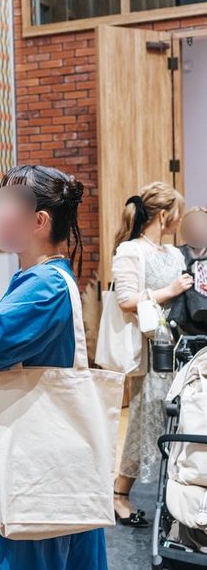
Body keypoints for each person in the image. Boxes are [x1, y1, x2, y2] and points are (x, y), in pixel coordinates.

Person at [0, 165, 107, 569]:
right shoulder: (36, 279)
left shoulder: (44, 286)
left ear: (39, 221)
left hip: (32, 468)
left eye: (8, 202)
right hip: (31, 460)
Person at [112, 182, 191, 527]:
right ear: (163, 215)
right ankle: (119, 494)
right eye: (177, 213)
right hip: (152, 349)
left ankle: (177, 495)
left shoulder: (174, 253)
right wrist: (169, 290)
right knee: (146, 421)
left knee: (182, 418)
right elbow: (126, 301)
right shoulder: (131, 251)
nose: (180, 219)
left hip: (181, 347)